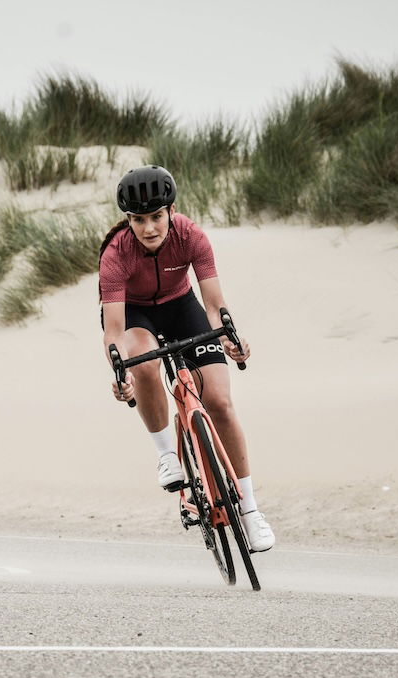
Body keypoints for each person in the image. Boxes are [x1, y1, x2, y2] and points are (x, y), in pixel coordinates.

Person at [99, 165, 274, 552]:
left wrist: (231, 340)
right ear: (127, 220)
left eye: (157, 216)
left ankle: (250, 512)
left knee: (221, 403)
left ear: (171, 210)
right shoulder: (115, 254)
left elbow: (214, 305)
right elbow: (114, 331)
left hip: (182, 307)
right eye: (139, 220)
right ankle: (167, 455)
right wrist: (119, 371)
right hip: (135, 314)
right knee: (143, 362)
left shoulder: (192, 236)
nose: (149, 228)